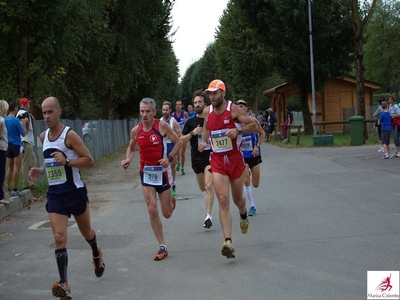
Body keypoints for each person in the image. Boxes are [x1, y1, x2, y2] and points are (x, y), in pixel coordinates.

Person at [29, 96, 105, 299]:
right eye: (43, 112)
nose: (46, 116)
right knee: (59, 237)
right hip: (56, 195)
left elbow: (89, 161)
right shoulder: (43, 136)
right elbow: (50, 160)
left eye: (50, 112)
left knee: (87, 233)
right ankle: (64, 284)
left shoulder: (69, 135)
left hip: (75, 192)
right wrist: (40, 170)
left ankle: (96, 253)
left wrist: (67, 162)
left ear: (59, 112)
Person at [199, 79, 257, 259]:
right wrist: (203, 141)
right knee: (223, 200)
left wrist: (238, 131)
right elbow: (207, 127)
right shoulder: (208, 111)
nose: (212, 96)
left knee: (237, 200)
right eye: (210, 93)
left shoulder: (233, 109)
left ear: (223, 93)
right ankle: (228, 242)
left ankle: (243, 213)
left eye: (215, 93)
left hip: (234, 160)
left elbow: (253, 125)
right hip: (217, 161)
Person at [122, 97, 182, 261]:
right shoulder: (136, 130)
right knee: (151, 209)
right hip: (146, 173)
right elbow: (131, 147)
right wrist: (128, 159)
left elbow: (178, 142)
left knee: (167, 213)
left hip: (162, 172)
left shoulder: (161, 126)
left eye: (148, 111)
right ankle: (162, 246)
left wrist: (169, 158)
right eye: (142, 111)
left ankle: (171, 202)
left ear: (154, 112)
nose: (144, 114)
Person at [181, 90, 214, 228]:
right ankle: (208, 198)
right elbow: (181, 139)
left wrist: (207, 142)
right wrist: (192, 133)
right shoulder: (190, 121)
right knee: (202, 188)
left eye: (200, 102)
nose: (197, 104)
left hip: (210, 157)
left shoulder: (211, 119)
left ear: (205, 103)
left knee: (209, 186)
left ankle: (208, 216)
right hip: (196, 158)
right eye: (195, 102)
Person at [236, 100, 265, 216]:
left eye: (242, 106)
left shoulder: (253, 121)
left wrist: (257, 146)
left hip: (254, 154)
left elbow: (262, 134)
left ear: (247, 109)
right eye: (238, 107)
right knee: (246, 180)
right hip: (242, 156)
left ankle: (250, 174)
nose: (240, 108)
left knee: (255, 184)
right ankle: (252, 206)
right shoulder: (236, 124)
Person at [5, 100, 28, 197]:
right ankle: (15, 188)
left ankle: (6, 188)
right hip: (17, 145)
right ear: (15, 108)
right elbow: (23, 133)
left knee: (9, 168)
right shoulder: (16, 120)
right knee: (16, 168)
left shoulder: (5, 119)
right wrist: (24, 123)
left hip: (8, 145)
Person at [160, 101, 181, 196]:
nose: (165, 112)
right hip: (163, 149)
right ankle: (164, 185)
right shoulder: (160, 121)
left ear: (170, 110)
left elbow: (179, 134)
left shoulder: (173, 121)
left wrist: (172, 135)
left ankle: (173, 183)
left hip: (172, 148)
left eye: (166, 110)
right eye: (163, 110)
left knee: (172, 167)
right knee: (163, 168)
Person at [17, 97, 37, 189]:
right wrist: (28, 123)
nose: (29, 105)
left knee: (33, 161)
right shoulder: (24, 113)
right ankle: (26, 183)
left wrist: (29, 116)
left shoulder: (20, 113)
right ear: (25, 105)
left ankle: (31, 180)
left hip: (26, 140)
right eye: (28, 103)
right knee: (26, 162)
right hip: (26, 140)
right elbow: (25, 121)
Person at [173, 100, 188, 175]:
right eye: (177, 105)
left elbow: (188, 123)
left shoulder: (184, 114)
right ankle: (178, 162)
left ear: (182, 106)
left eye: (179, 105)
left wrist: (185, 121)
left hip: (184, 135)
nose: (178, 106)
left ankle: (182, 167)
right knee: (177, 152)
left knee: (182, 153)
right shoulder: (173, 115)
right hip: (176, 136)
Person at [0, 100, 9, 204]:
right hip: (1, 148)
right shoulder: (1, 120)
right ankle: (1, 196)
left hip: (3, 147)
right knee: (1, 172)